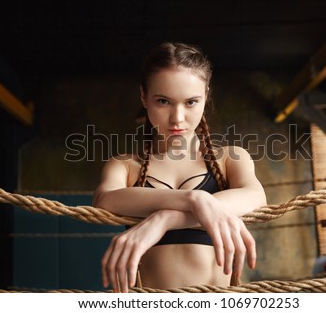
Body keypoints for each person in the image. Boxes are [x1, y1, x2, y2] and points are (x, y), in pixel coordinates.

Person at [92, 42, 266, 293]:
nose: (177, 118)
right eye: (163, 101)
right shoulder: (125, 166)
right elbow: (105, 199)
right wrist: (193, 199)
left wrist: (164, 219)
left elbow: (256, 196)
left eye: (191, 102)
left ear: (206, 95)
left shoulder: (230, 159)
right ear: (144, 97)